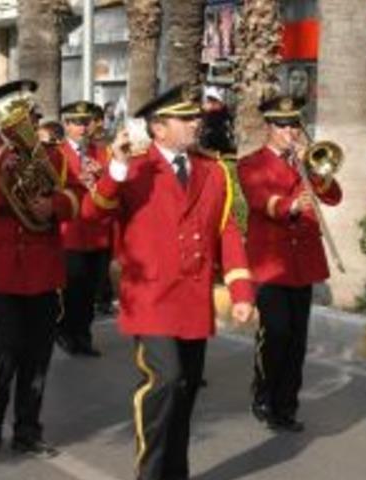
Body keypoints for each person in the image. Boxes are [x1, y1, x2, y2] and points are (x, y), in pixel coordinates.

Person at [82, 84, 256, 480]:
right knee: (167, 378)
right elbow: (93, 215)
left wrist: (241, 290)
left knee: (187, 388)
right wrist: (117, 170)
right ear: (159, 128)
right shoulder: (134, 167)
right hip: (151, 297)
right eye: (186, 118)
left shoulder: (213, 170)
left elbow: (226, 232)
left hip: (193, 298)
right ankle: (150, 472)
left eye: (195, 116)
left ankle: (175, 472)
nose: (197, 122)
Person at [0, 79, 83, 457]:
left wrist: (53, 206)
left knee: (38, 356)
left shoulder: (53, 156)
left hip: (42, 268)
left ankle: (28, 427)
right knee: (3, 352)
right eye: (14, 117)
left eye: (27, 114)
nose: (22, 123)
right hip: (0, 269)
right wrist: (0, 186)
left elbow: (78, 196)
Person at [238, 95, 343, 433]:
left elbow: (333, 196)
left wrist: (312, 169)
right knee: (276, 333)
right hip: (270, 261)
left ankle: (286, 405)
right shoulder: (251, 162)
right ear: (270, 127)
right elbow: (259, 201)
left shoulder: (305, 160)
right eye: (284, 126)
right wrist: (291, 204)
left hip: (303, 263)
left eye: (295, 125)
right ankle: (264, 393)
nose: (291, 131)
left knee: (297, 338)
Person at [56, 101, 112, 357]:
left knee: (91, 288)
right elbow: (53, 188)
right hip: (71, 231)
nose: (82, 127)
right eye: (76, 122)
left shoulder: (102, 152)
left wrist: (102, 175)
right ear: (66, 125)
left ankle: (84, 335)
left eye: (86, 122)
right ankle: (66, 333)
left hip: (97, 232)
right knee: (72, 287)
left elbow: (114, 185)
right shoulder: (56, 153)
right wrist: (79, 180)